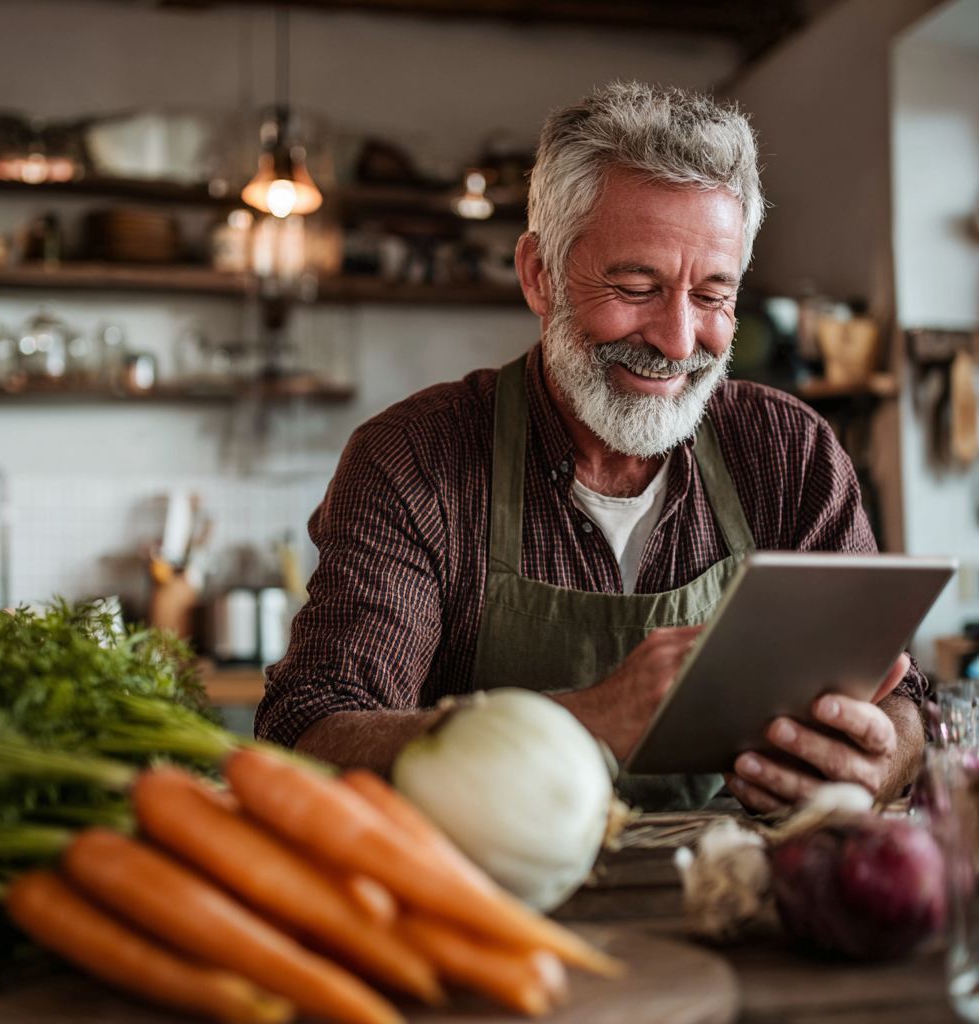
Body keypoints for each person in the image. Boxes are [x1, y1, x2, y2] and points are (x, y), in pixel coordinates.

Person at [256, 82, 927, 813]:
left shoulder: (788, 453)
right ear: (539, 275)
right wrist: (584, 722)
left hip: (738, 904)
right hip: (491, 913)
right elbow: (309, 735)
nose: (677, 341)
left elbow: (906, 701)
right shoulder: (416, 459)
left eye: (711, 296)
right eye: (636, 286)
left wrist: (878, 760)